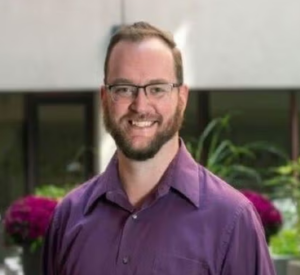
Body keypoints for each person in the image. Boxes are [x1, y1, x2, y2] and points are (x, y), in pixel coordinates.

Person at [43, 22, 276, 275]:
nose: (141, 106)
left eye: (157, 89)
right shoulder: (68, 217)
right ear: (104, 99)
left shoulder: (232, 219)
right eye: (124, 89)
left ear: (182, 98)